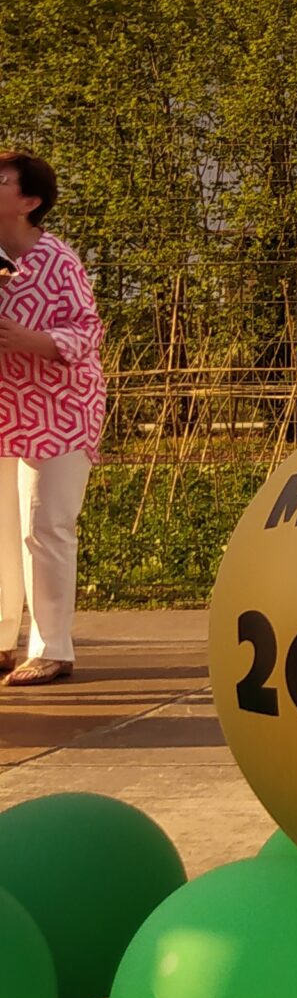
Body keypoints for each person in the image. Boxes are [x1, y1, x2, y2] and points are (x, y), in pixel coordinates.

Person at [0, 151, 106, 689]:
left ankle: (52, 650)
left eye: (1, 180)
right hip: (4, 409)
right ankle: (1, 639)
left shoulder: (59, 260)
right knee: (1, 530)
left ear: (29, 202)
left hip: (59, 409)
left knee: (46, 527)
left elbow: (88, 331)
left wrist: (33, 340)